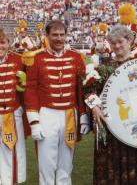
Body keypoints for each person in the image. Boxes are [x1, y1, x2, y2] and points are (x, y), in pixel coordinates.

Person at [24, 20, 90, 185]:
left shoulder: (76, 57)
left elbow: (80, 91)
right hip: (46, 114)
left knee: (66, 163)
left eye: (62, 35)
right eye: (55, 35)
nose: (59, 38)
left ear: (66, 35)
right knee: (46, 162)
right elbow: (30, 90)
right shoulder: (36, 58)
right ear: (47, 36)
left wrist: (82, 116)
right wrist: (34, 121)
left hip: (69, 115)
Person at [85, 25, 137, 185]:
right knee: (107, 164)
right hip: (108, 125)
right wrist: (95, 107)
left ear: (129, 41)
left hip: (133, 126)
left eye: (120, 42)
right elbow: (88, 89)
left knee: (133, 162)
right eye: (113, 43)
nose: (117, 46)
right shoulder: (103, 66)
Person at [0, 28, 27, 185]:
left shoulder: (19, 60)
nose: (0, 47)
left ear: (8, 43)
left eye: (2, 42)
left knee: (13, 154)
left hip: (12, 114)